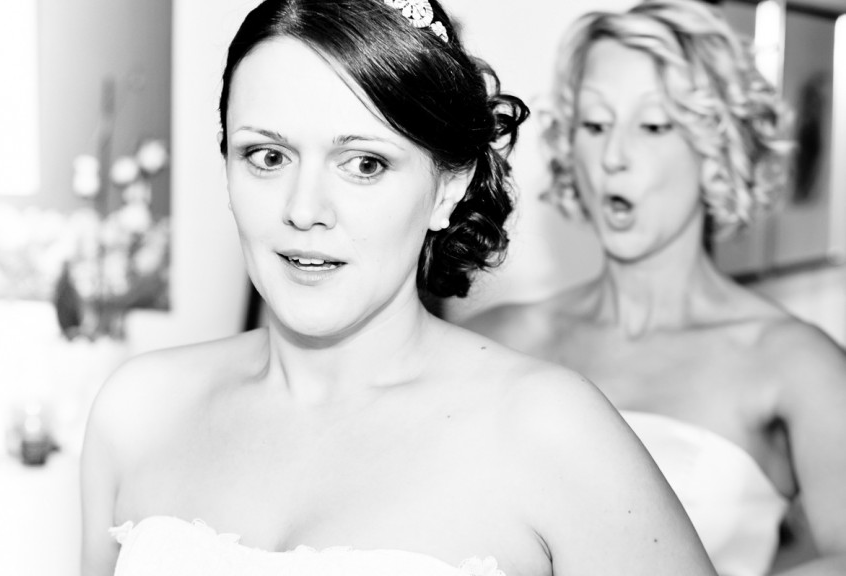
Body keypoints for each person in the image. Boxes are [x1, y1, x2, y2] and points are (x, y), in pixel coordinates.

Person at [79, 1, 719, 575]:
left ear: (447, 187)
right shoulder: (139, 411)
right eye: (268, 156)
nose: (304, 209)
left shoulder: (549, 430)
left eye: (365, 164)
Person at [464, 1, 846, 575]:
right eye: (595, 125)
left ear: (715, 149)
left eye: (654, 126)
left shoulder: (792, 362)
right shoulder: (498, 340)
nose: (614, 158)